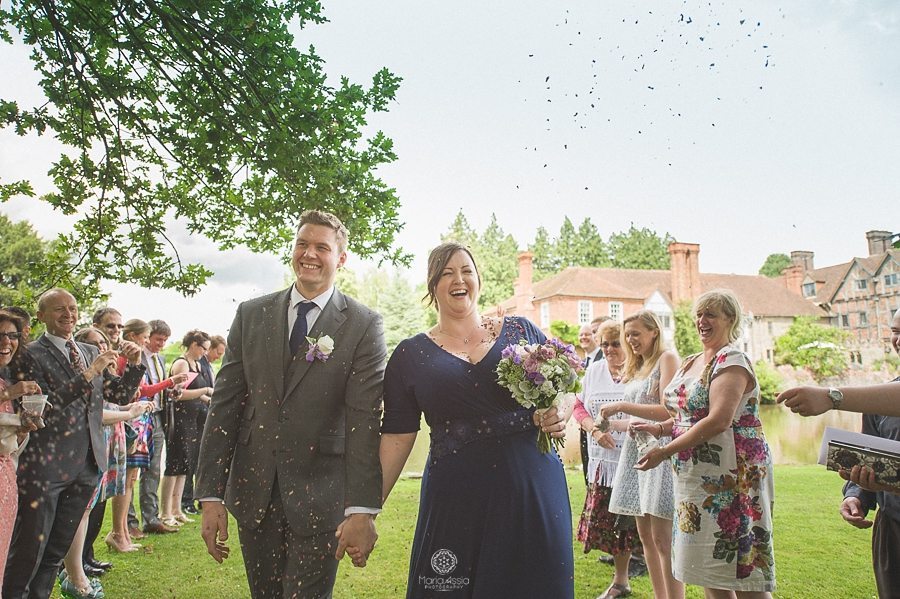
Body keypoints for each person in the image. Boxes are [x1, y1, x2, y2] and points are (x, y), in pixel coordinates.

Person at [195, 209, 384, 598]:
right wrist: (210, 494)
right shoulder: (251, 314)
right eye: (302, 244)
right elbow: (225, 406)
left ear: (341, 258)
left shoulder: (364, 323)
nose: (309, 254)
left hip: (321, 496)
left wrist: (361, 509)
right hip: (253, 492)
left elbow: (364, 421)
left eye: (321, 247)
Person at [380, 241, 573, 599]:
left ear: (479, 280)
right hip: (455, 498)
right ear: (432, 285)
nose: (460, 279)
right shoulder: (410, 354)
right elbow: (396, 436)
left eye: (467, 271)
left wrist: (559, 411)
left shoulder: (519, 331)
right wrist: (367, 510)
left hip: (532, 486)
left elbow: (566, 388)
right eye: (448, 272)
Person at [3, 288, 144, 598]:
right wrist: (90, 373)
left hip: (88, 463)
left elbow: (118, 396)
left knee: (56, 552)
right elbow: (42, 408)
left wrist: (134, 365)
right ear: (40, 316)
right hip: (44, 467)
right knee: (29, 551)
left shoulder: (88, 351)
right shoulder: (28, 354)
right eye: (58, 309)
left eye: (72, 307)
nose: (68, 314)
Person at [637, 289, 776, 598]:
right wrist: (658, 428)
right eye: (699, 314)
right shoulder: (690, 362)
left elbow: (718, 420)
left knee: (742, 567)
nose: (702, 321)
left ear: (730, 319)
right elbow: (684, 416)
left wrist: (665, 451)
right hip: (693, 480)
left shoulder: (732, 360)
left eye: (710, 314)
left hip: (733, 479)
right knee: (705, 565)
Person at [601, 310, 682, 599]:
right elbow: (634, 422)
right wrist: (605, 424)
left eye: (635, 333)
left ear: (654, 332)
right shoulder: (640, 366)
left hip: (660, 453)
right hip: (635, 454)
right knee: (646, 538)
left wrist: (623, 404)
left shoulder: (667, 359)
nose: (630, 340)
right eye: (628, 335)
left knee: (663, 539)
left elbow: (671, 411)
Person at [573, 320, 641, 599]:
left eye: (615, 343)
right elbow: (578, 406)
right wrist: (593, 429)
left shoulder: (641, 371)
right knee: (616, 528)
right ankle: (621, 581)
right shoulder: (595, 370)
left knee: (644, 528)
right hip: (604, 464)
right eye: (605, 344)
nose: (610, 349)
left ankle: (667, 585)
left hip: (637, 461)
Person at [840, 308, 899, 598]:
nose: (898, 340)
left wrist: (831, 397)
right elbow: (871, 453)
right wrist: (857, 494)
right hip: (892, 527)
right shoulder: (878, 401)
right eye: (896, 332)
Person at [0, 310, 43, 590]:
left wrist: (23, 429)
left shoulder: (4, 381)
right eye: (0, 335)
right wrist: (9, 395)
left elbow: (8, 444)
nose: (7, 342)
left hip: (5, 482)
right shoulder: (7, 388)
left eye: (13, 335)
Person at [129, 319, 180, 535]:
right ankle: (130, 523)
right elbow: (141, 390)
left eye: (165, 340)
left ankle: (151, 518)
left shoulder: (159, 359)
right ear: (148, 336)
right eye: (158, 339)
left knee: (153, 469)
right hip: (138, 417)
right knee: (131, 470)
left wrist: (171, 391)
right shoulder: (136, 357)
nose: (161, 344)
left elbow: (157, 388)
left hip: (157, 416)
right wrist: (168, 383)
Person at [161, 329, 213, 528]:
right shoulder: (181, 363)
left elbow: (196, 394)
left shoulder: (197, 365)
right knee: (174, 464)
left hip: (192, 419)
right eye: (203, 348)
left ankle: (176, 509)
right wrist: (205, 390)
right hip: (178, 419)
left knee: (185, 465)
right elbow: (177, 394)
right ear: (194, 345)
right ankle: (165, 511)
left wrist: (209, 399)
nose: (205, 353)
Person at [182, 334, 227, 515]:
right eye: (218, 352)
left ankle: (197, 497)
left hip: (202, 418)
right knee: (189, 461)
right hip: (190, 417)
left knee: (198, 460)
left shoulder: (206, 366)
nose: (218, 356)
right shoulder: (193, 365)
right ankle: (187, 500)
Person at [579, 322, 603, 485]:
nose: (584, 337)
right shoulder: (581, 363)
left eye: (588, 334)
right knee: (588, 465)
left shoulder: (604, 357)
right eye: (581, 334)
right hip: (583, 421)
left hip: (600, 423)